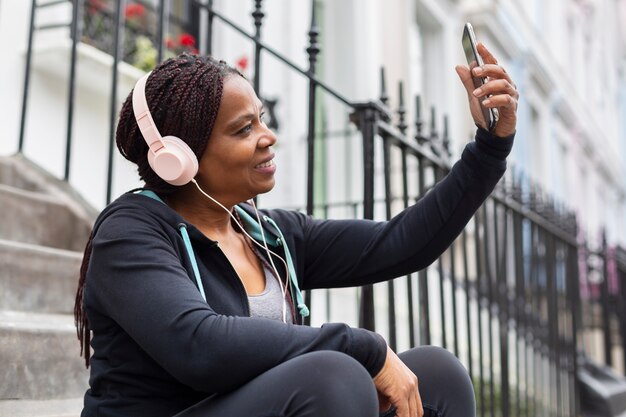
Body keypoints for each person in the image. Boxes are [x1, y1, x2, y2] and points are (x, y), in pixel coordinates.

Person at [74, 41, 518, 417]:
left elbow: (401, 243)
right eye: (243, 129)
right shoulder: (130, 233)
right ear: (178, 157)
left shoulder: (268, 234)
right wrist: (364, 347)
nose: (268, 136)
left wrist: (490, 149)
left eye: (262, 119)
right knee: (332, 378)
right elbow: (198, 345)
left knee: (438, 374)